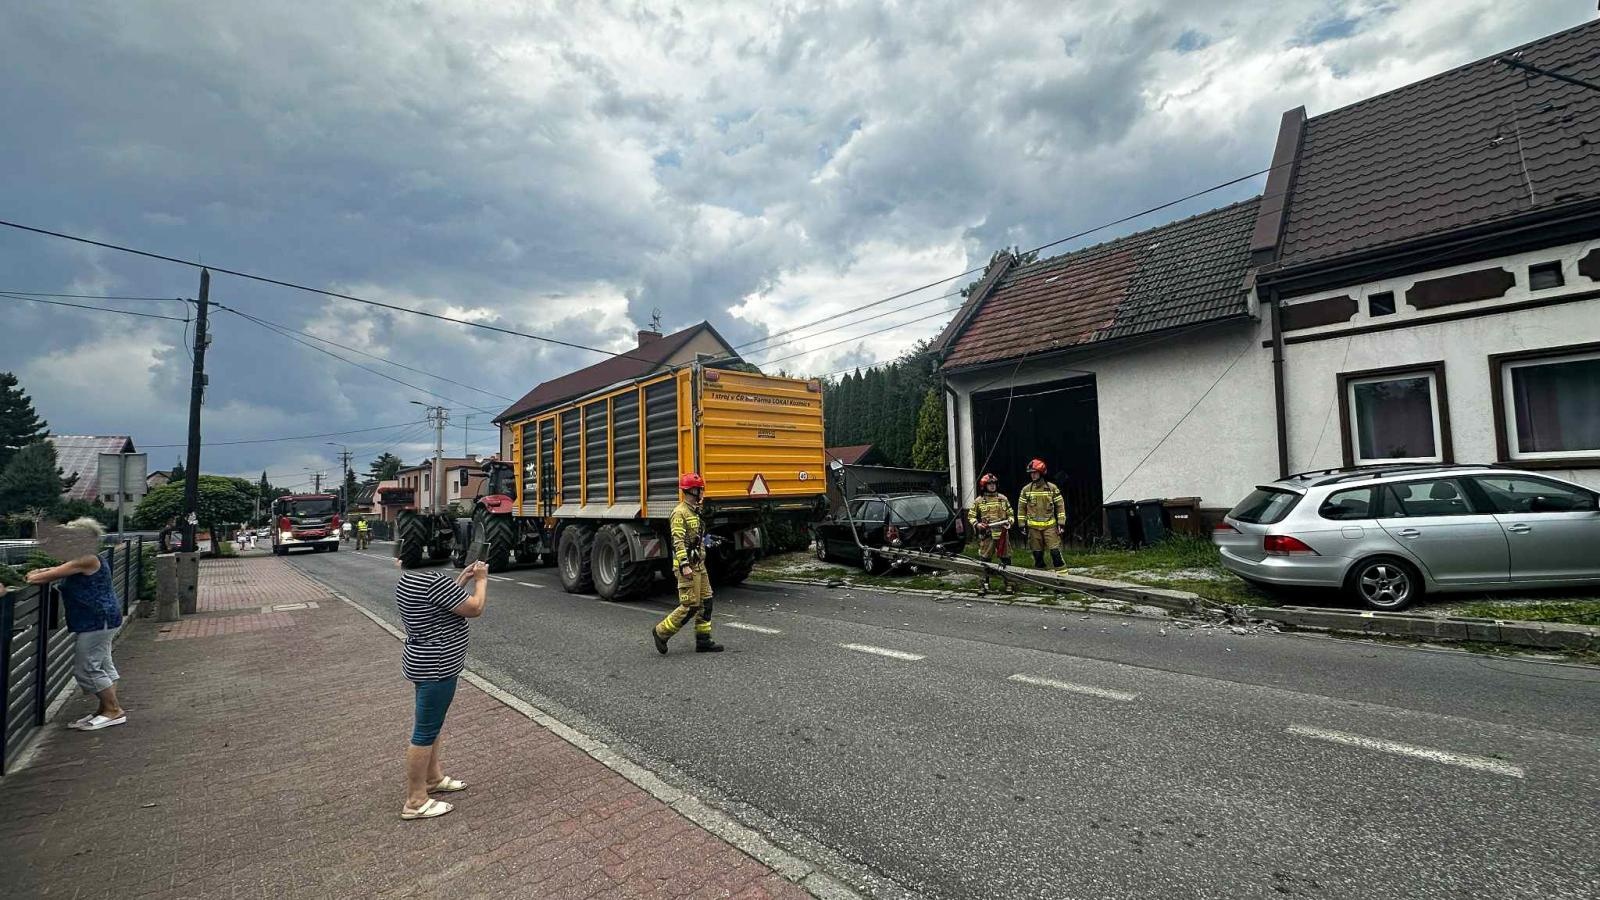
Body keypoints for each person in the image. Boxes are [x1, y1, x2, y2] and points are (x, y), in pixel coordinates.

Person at [394, 558, 489, 820]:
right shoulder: (431, 580)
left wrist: (463, 580)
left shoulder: (411, 578)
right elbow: (474, 607)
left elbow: (442, 603)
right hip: (437, 665)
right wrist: (481, 579)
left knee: (431, 725)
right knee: (424, 732)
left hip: (425, 661)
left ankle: (433, 778)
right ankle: (415, 800)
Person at [24, 518, 126, 731]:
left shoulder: (85, 559)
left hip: (97, 620)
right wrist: (43, 570)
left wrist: (36, 574)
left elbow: (41, 578)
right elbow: (58, 569)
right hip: (100, 619)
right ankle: (105, 710)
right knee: (102, 664)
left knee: (87, 667)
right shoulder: (84, 558)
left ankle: (113, 711)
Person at [652, 473, 724, 655]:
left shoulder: (695, 511)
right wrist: (684, 565)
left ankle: (703, 641)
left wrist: (707, 542)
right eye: (700, 489)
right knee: (690, 605)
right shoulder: (679, 513)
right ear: (692, 490)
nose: (702, 493)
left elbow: (695, 537)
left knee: (706, 601)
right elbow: (678, 542)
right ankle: (661, 632)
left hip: (699, 565)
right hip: (688, 567)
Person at [1018, 458, 1066, 570]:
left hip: (1050, 527)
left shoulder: (1052, 488)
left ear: (1041, 472)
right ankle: (1042, 582)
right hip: (1033, 529)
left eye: (1035, 473)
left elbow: (1060, 506)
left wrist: (1061, 523)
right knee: (1038, 556)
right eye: (1031, 473)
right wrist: (1021, 524)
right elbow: (1021, 508)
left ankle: (1062, 579)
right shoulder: (1026, 490)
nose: (1033, 475)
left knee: (1055, 554)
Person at [968, 473, 1014, 592]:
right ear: (984, 486)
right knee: (985, 560)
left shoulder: (1002, 499)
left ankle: (1009, 584)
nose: (992, 486)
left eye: (994, 483)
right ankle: (984, 584)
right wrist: (977, 524)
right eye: (989, 484)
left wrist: (1010, 522)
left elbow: (1011, 514)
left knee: (1006, 560)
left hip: (1002, 535)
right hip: (987, 536)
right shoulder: (979, 500)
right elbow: (971, 516)